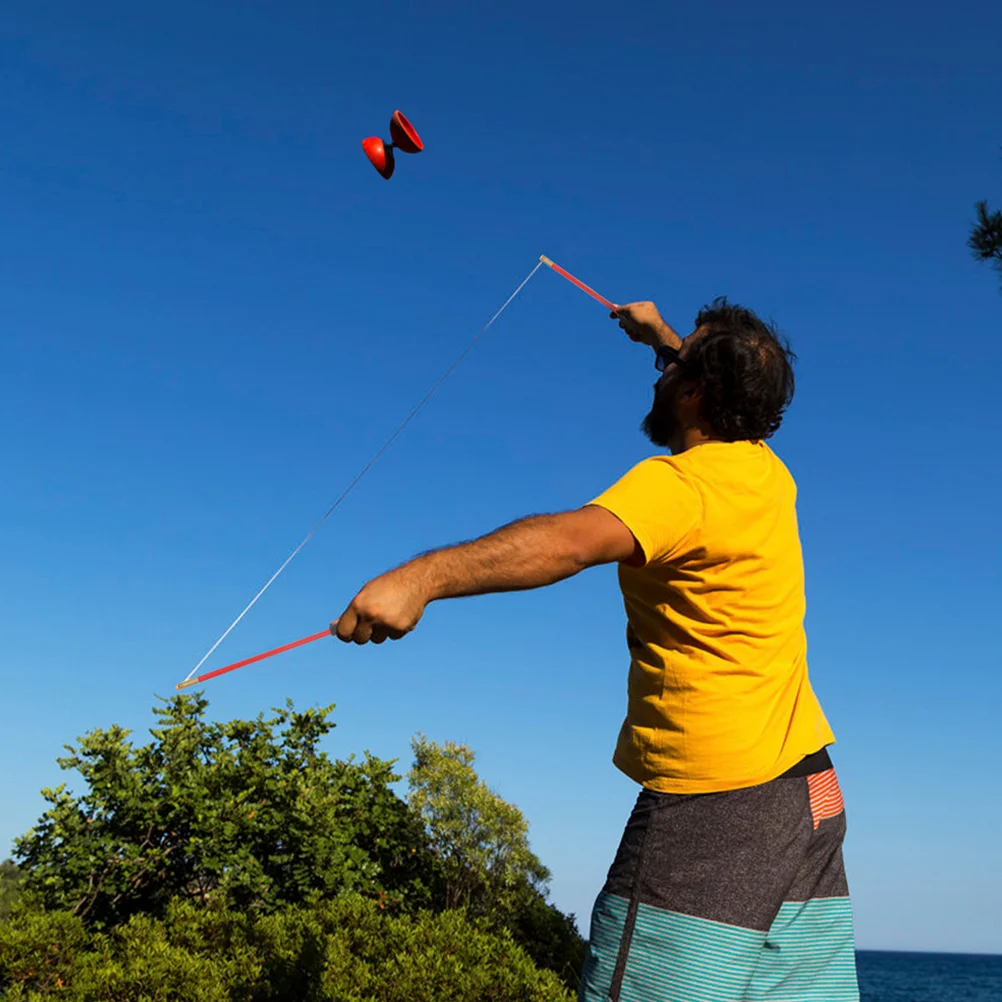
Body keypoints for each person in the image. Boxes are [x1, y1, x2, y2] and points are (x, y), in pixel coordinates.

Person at [332, 298, 860, 1002]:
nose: (659, 375)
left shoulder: (678, 486)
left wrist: (419, 580)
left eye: (675, 365)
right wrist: (668, 338)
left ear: (696, 389)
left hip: (716, 813)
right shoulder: (765, 473)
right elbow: (722, 381)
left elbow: (567, 543)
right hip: (811, 797)